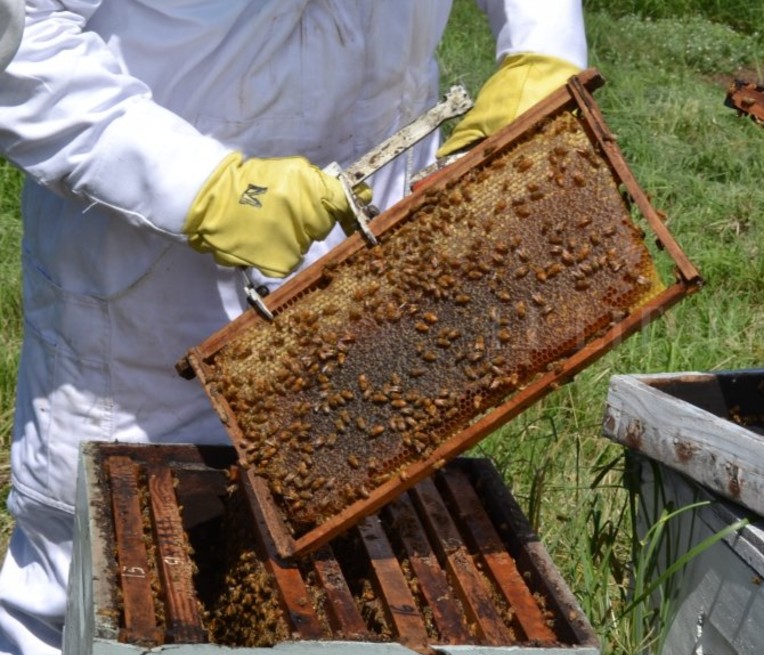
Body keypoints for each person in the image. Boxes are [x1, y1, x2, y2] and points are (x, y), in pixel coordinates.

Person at [0, 3, 586, 654]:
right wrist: (197, 185)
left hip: (379, 253)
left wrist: (543, 42)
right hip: (149, 273)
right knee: (97, 580)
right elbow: (22, 39)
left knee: (367, 566)